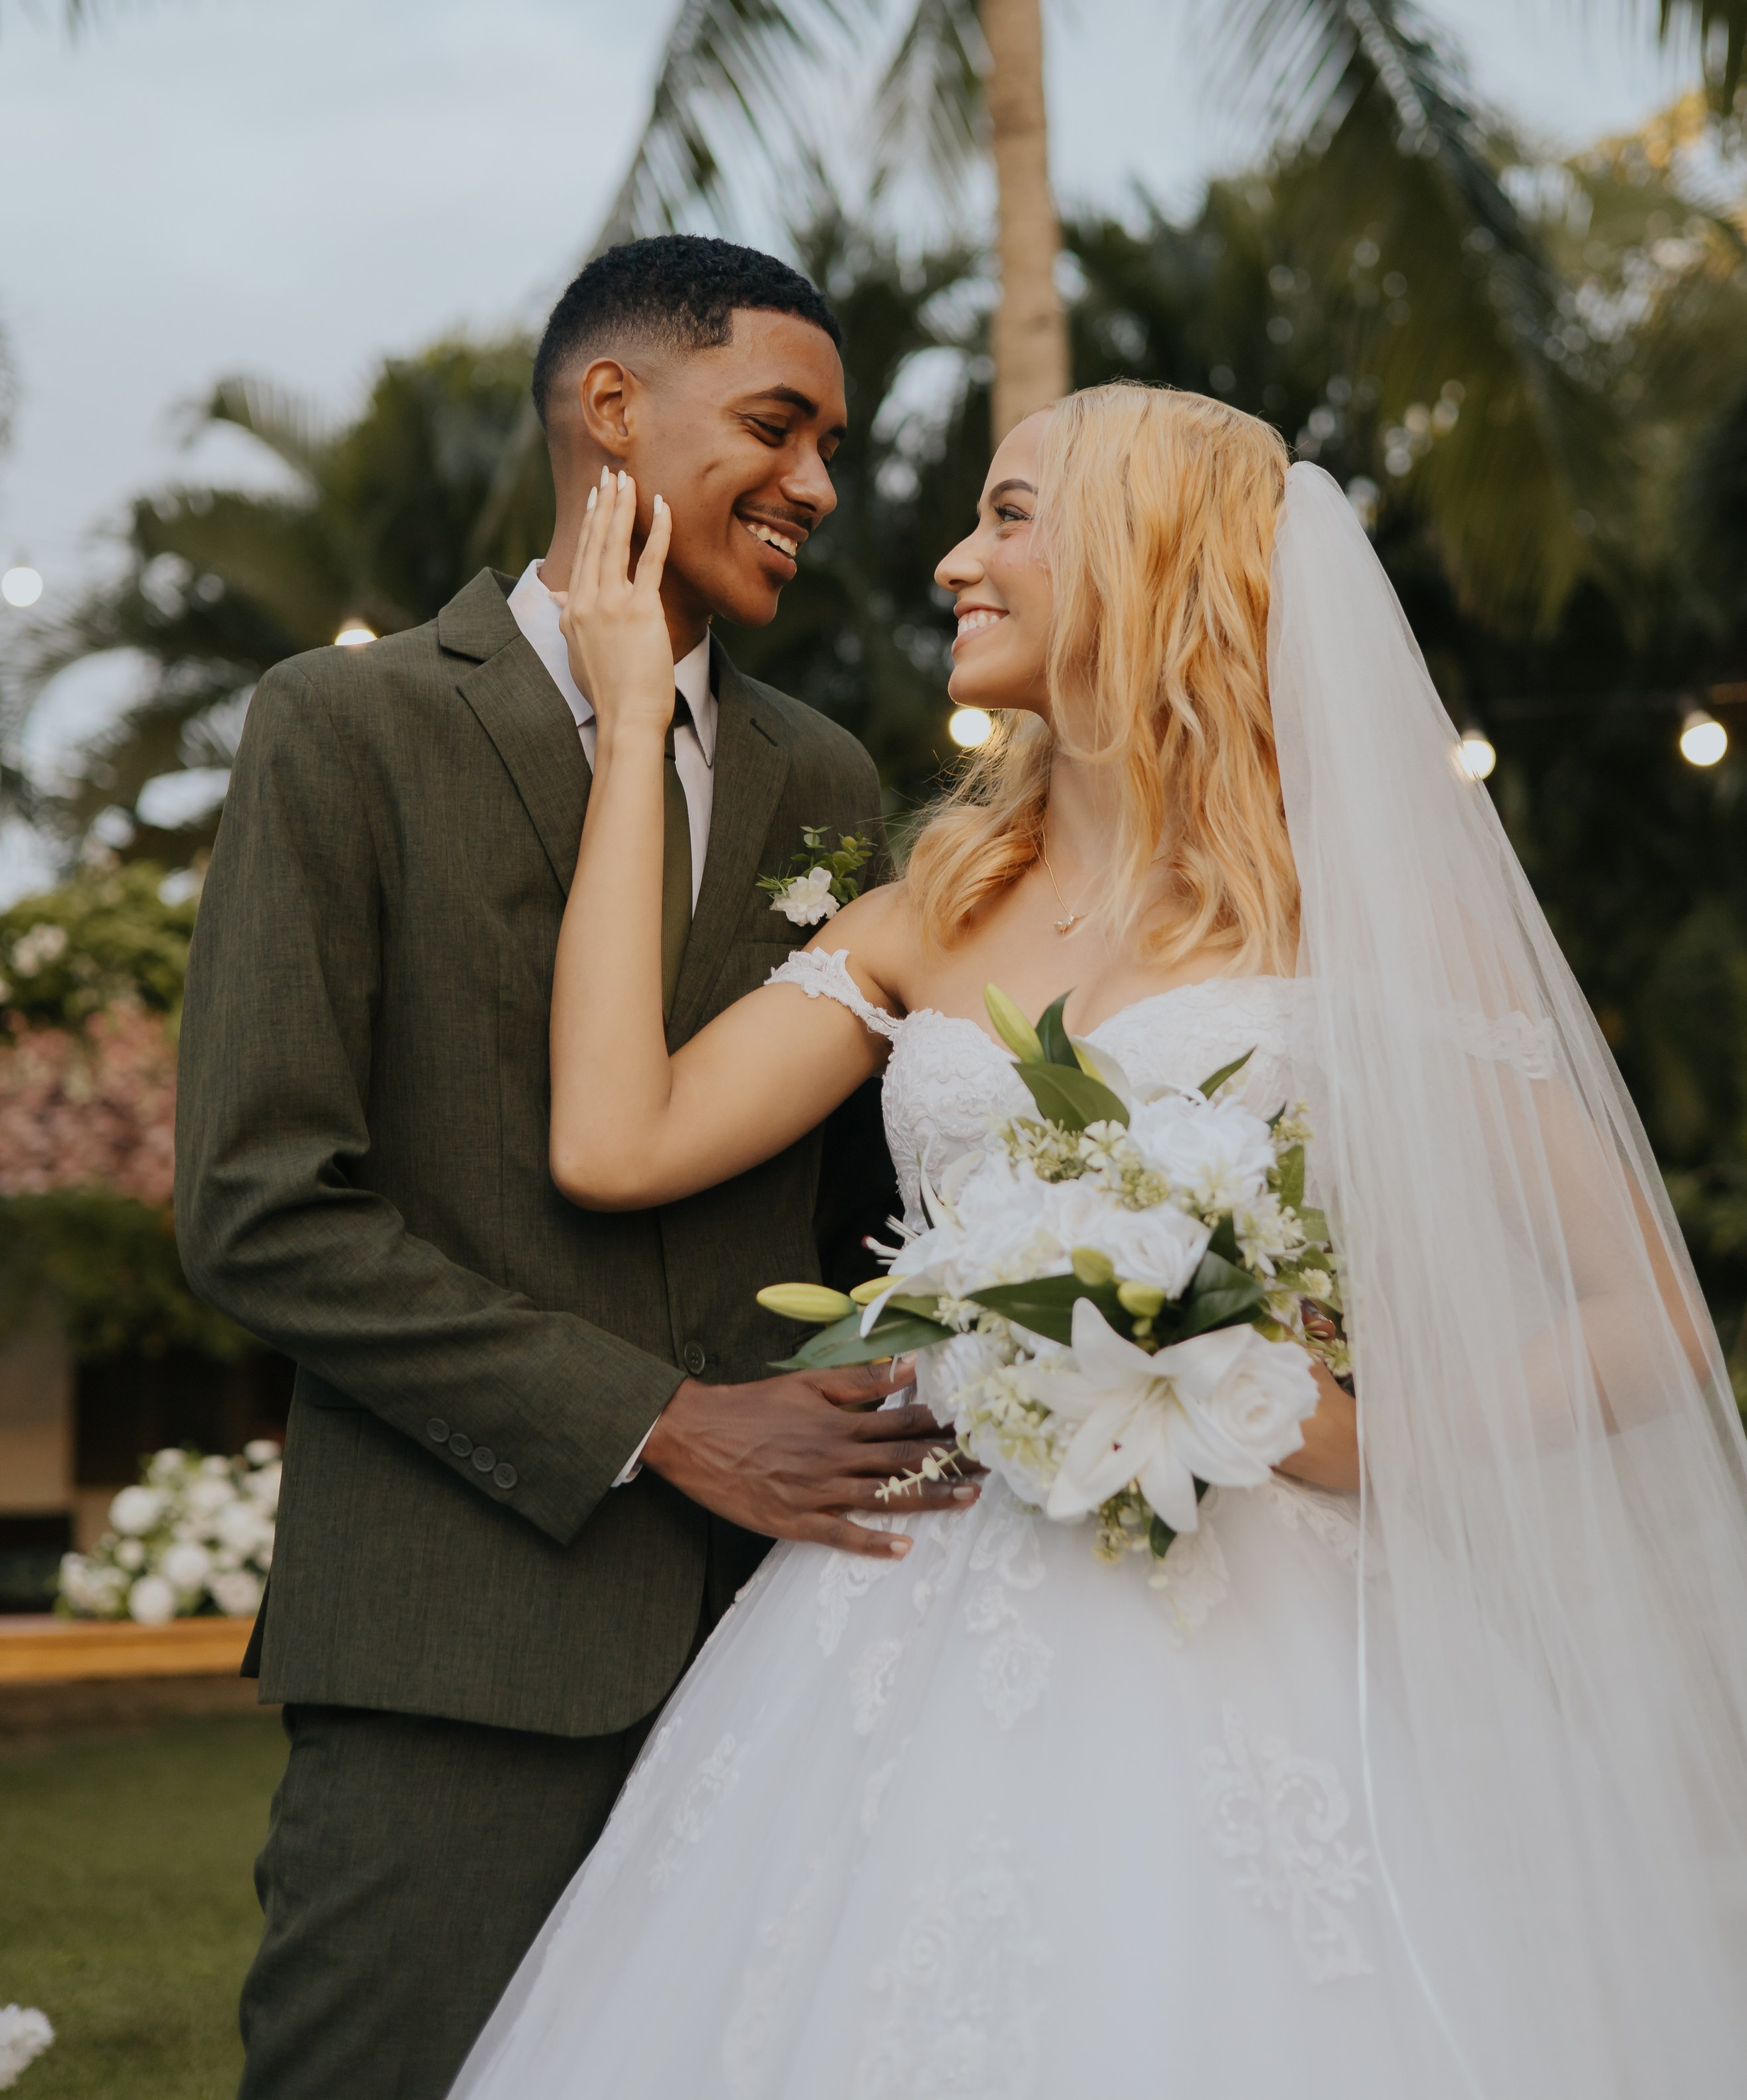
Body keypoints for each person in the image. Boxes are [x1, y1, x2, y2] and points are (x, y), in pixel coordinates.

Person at [452, 383, 1747, 2100]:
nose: (945, 561)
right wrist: (631, 727)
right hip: (908, 1627)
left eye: (1004, 516)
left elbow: (1645, 1313)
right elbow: (614, 1140)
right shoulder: (933, 908)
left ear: (1142, 554)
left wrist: (1342, 1432)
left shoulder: (1362, 910)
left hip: (1278, 1622)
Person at [172, 236, 966, 2100]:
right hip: (462, 1648)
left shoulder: (829, 779)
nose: (820, 491)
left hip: (796, 1639)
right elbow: (261, 1207)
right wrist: (661, 1417)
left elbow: (863, 1200)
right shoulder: (346, 727)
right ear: (612, 407)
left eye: (833, 447)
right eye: (777, 427)